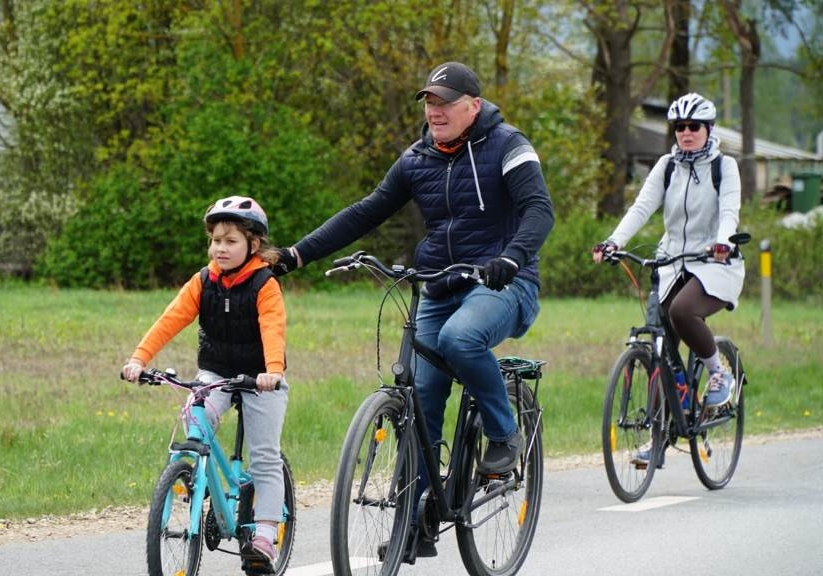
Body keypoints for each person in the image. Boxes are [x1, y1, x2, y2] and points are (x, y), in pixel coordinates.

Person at [273, 61, 555, 558]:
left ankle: (504, 434)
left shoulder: (509, 145)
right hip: (438, 285)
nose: (435, 110)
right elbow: (366, 210)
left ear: (473, 105)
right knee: (420, 400)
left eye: (445, 102)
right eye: (429, 101)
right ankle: (416, 519)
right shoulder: (417, 157)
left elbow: (539, 210)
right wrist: (298, 254)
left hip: (504, 283)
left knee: (459, 340)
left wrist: (511, 257)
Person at [121, 196, 288, 566]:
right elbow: (170, 319)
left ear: (253, 245)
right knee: (194, 421)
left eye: (231, 241)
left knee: (264, 457)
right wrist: (139, 358)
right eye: (215, 240)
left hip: (260, 376)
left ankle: (264, 533)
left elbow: (273, 328)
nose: (221, 248)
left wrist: (273, 371)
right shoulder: (203, 280)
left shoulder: (264, 283)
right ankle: (194, 481)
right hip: (215, 373)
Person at [592, 92, 745, 463]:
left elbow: (729, 211)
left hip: (714, 263)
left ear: (709, 130)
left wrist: (723, 243)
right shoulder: (667, 166)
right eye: (680, 127)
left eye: (694, 127)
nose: (687, 133)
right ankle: (660, 434)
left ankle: (717, 373)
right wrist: (613, 241)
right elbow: (642, 207)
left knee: (682, 311)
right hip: (672, 261)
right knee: (659, 343)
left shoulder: (724, 167)